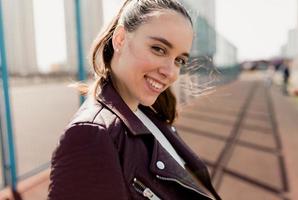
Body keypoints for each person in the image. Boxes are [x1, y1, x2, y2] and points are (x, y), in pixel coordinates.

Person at [48, 0, 221, 199]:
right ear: (120, 39)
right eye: (158, 49)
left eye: (179, 60)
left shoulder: (148, 114)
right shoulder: (91, 135)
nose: (170, 72)